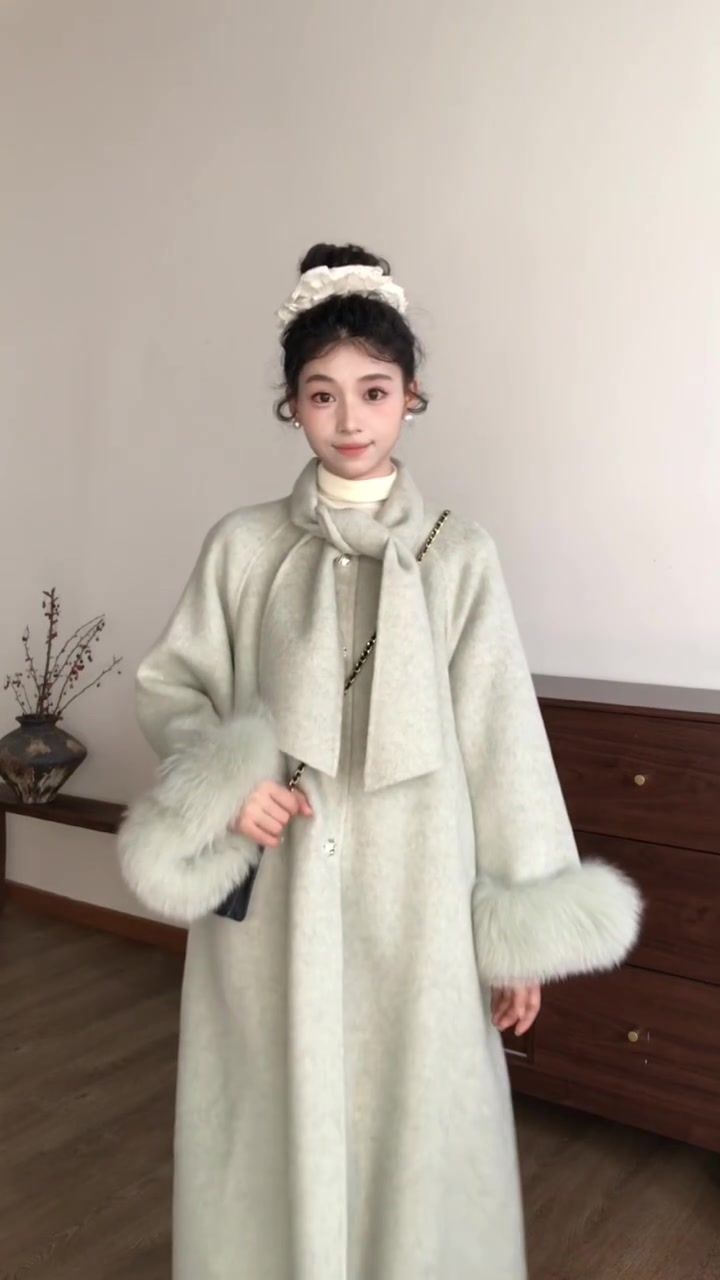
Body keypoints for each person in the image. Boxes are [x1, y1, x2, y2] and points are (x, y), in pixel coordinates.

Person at [118, 242, 642, 1280]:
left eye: (374, 390)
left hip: (421, 904)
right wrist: (229, 780)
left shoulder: (459, 555)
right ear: (291, 406)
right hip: (279, 908)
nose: (349, 419)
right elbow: (173, 687)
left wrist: (519, 929)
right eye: (322, 394)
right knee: (269, 1114)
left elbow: (502, 741)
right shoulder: (242, 549)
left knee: (423, 1121)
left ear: (411, 395)